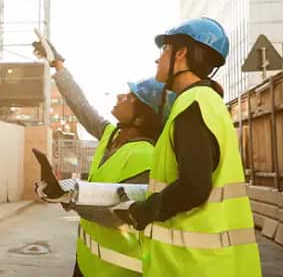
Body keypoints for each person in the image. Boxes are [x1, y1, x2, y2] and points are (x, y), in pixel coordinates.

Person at [115, 17, 262, 277]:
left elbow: (195, 186)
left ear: (181, 53)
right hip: (210, 263)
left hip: (193, 266)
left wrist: (144, 212)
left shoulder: (192, 106)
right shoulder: (206, 103)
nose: (157, 60)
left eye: (164, 51)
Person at [32, 40, 175, 277]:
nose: (121, 95)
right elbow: (81, 105)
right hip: (87, 262)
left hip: (117, 270)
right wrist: (58, 64)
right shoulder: (111, 134)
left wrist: (68, 195)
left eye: (130, 97)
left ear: (140, 119)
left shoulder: (147, 156)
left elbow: (119, 213)